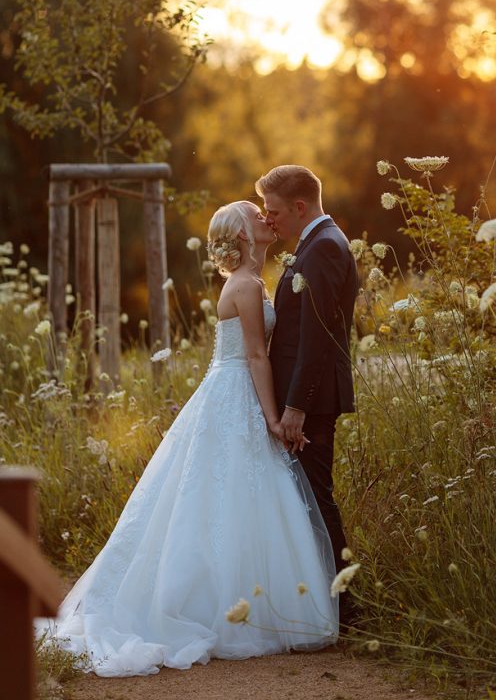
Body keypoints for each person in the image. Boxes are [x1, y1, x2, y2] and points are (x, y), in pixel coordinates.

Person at [38, 201, 337, 677]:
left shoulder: (247, 281)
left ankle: (238, 600)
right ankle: (219, 607)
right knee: (223, 495)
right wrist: (274, 419)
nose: (265, 219)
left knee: (226, 498)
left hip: (228, 389)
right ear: (241, 235)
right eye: (255, 216)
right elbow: (257, 357)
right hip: (236, 393)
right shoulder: (245, 284)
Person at [255, 165, 357, 579]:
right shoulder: (315, 243)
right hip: (305, 398)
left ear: (299, 206)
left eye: (273, 210)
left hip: (311, 402)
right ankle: (320, 597)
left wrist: (296, 405)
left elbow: (317, 338)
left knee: (316, 497)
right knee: (304, 499)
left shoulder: (325, 248)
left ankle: (345, 605)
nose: (268, 219)